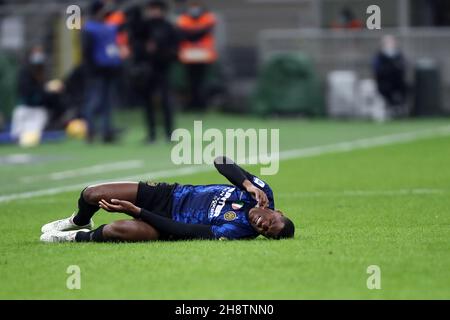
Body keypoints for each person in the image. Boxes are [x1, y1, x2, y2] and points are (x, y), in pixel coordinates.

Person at [40, 156, 295, 242]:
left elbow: (185, 230)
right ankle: (79, 221)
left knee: (117, 229)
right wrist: (247, 183)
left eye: (266, 233)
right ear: (277, 211)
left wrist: (136, 211)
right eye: (271, 222)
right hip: (169, 194)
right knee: (92, 194)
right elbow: (221, 161)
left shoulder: (237, 230)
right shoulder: (262, 194)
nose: (263, 226)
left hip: (165, 222)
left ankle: (74, 238)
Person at [82, 0, 122, 143]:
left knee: (107, 103)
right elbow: (87, 52)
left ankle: (107, 132)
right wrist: (91, 69)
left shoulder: (108, 27)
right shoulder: (89, 28)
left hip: (109, 69)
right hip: (96, 71)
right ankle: (90, 131)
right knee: (95, 102)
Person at [140, 0, 179, 143]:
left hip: (164, 69)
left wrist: (162, 52)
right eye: (152, 9)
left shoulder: (168, 27)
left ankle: (169, 134)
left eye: (157, 9)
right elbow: (136, 45)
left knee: (166, 103)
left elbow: (175, 50)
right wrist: (145, 51)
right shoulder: (144, 27)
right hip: (147, 70)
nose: (154, 12)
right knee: (148, 104)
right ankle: (151, 134)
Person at [177, 1, 217, 110]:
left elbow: (202, 31)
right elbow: (185, 33)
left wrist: (192, 33)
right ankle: (191, 104)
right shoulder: (184, 18)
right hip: (188, 56)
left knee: (202, 82)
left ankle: (202, 104)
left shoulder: (208, 17)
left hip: (203, 55)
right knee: (190, 82)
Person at [373, 35, 407, 112]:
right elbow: (377, 69)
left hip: (397, 82)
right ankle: (389, 107)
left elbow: (403, 67)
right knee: (385, 89)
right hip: (384, 82)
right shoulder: (379, 55)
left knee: (404, 89)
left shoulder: (399, 55)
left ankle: (400, 107)